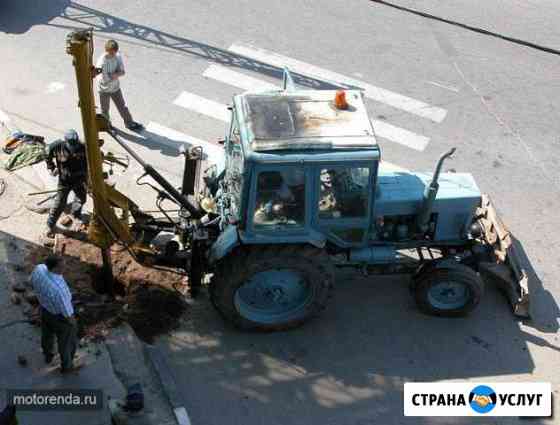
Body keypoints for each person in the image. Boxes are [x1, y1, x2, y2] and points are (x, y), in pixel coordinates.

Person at [30, 255, 78, 373]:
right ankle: (67, 366)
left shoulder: (39, 269)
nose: (65, 267)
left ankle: (48, 355)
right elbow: (67, 313)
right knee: (67, 343)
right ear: (56, 268)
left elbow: (30, 280)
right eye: (63, 265)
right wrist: (73, 324)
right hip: (60, 318)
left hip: (45, 310)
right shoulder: (59, 290)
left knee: (47, 334)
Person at [45, 129, 88, 238]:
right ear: (66, 142)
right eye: (71, 146)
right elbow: (47, 152)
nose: (73, 148)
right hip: (64, 181)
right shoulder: (58, 146)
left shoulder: (84, 147)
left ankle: (75, 216)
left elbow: (93, 161)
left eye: (75, 145)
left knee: (81, 199)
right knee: (59, 203)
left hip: (79, 179)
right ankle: (50, 225)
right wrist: (51, 167)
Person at [94, 39, 143, 131]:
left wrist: (114, 75)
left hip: (115, 88)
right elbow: (104, 79)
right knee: (105, 110)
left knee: (122, 106)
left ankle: (129, 123)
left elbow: (123, 72)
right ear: (106, 51)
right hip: (103, 90)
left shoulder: (117, 56)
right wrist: (116, 74)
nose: (113, 55)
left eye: (114, 53)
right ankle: (107, 125)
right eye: (111, 53)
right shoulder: (101, 62)